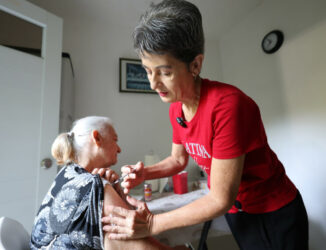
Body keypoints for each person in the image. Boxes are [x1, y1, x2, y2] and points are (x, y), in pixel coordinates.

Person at [101, 1, 309, 249]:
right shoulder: (176, 108)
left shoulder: (228, 106)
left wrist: (152, 224)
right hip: (238, 212)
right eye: (147, 71)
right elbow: (178, 161)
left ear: (195, 65)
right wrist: (146, 173)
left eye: (164, 72)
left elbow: (220, 198)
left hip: (272, 210)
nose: (153, 83)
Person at [30, 116, 189, 250]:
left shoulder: (67, 174)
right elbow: (142, 246)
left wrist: (116, 192)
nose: (119, 149)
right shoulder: (93, 185)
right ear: (96, 138)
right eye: (115, 140)